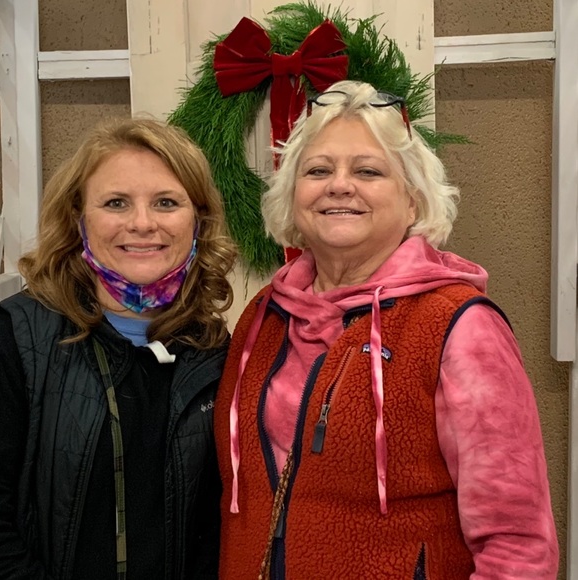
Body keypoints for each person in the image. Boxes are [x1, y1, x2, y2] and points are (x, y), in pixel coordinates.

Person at [214, 80, 559, 579]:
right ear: (292, 197)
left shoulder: (460, 327)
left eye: (368, 171)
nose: (339, 185)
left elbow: (518, 544)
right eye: (318, 170)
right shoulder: (263, 316)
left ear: (413, 201)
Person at [0, 118, 236, 579]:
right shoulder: (16, 339)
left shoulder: (213, 350)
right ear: (78, 218)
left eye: (166, 202)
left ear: (198, 220)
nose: (142, 223)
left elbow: (215, 529)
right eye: (116, 203)